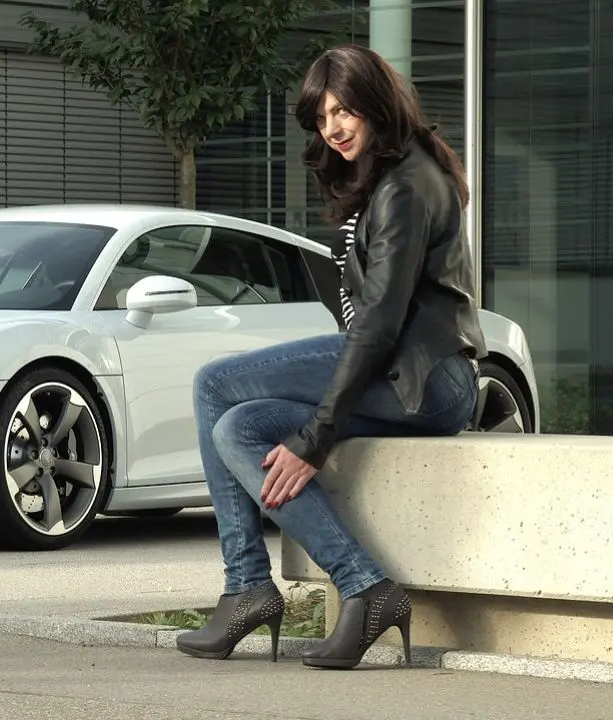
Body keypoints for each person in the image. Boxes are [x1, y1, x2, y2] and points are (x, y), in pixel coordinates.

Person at [174, 43, 487, 668]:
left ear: (375, 103)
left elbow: (377, 326)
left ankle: (271, 586)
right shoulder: (391, 174)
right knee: (239, 426)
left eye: (344, 111)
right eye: (321, 117)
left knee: (214, 384)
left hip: (425, 375)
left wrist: (316, 436)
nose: (334, 128)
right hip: (407, 374)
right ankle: (274, 590)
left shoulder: (405, 186)